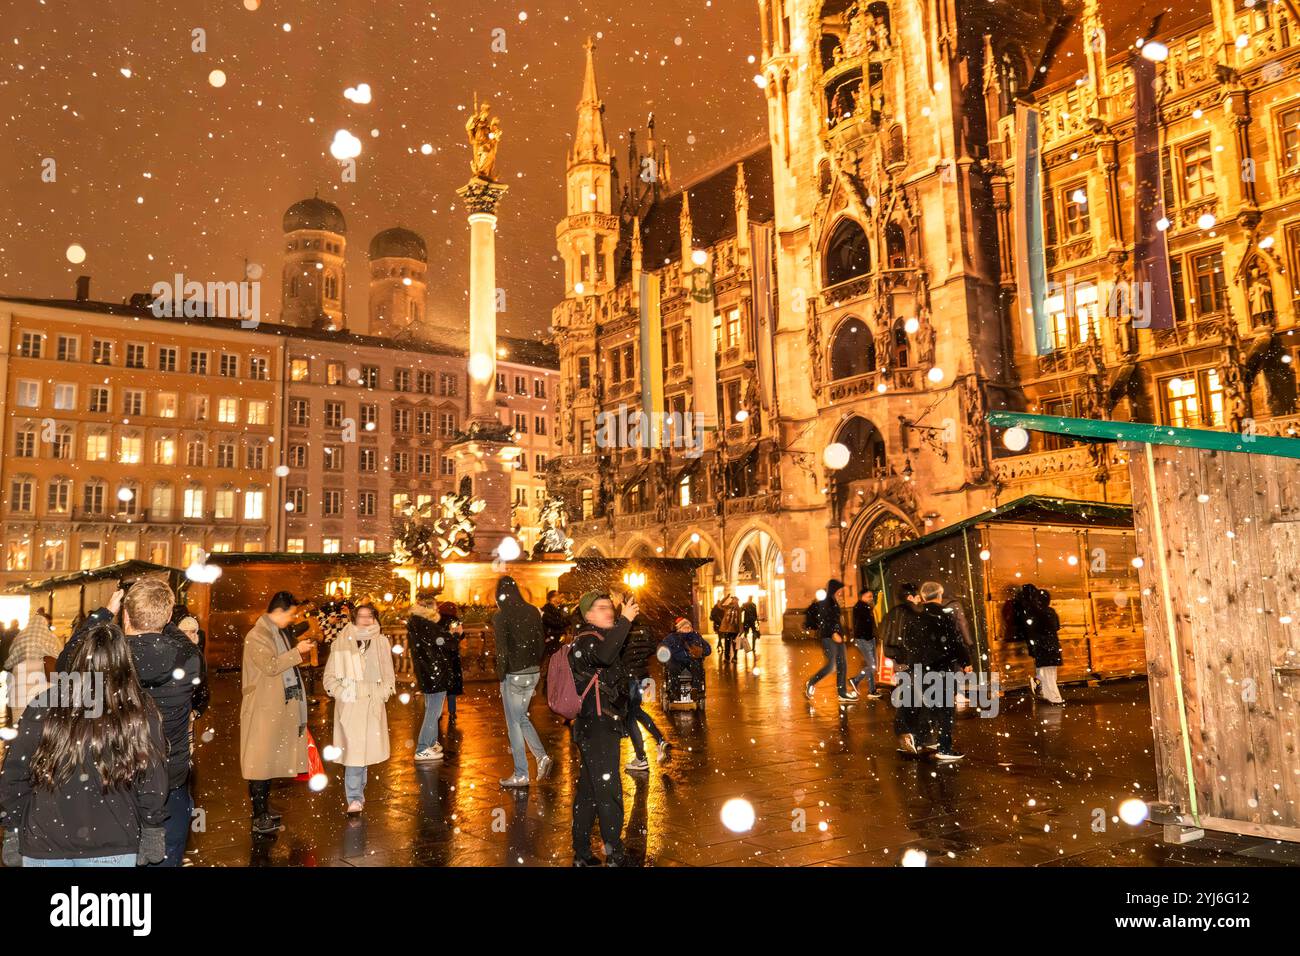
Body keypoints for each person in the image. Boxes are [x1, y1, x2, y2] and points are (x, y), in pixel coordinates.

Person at [0, 622, 168, 868]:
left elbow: (15, 774)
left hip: (45, 841)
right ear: (125, 663)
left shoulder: (44, 704)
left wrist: (13, 828)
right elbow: (153, 779)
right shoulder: (139, 709)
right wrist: (152, 827)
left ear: (78, 660)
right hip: (113, 840)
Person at [57, 579, 200, 867]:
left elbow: (64, 664)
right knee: (165, 858)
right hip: (167, 783)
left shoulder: (106, 658)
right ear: (170, 616)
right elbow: (180, 640)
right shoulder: (189, 657)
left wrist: (102, 615)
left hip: (113, 780)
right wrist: (163, 617)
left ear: (125, 615)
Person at [569, 590, 637, 866]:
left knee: (589, 791)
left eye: (610, 606)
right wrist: (625, 621)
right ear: (588, 615)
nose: (608, 610)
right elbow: (607, 657)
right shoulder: (587, 640)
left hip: (594, 725)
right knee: (608, 792)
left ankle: (582, 853)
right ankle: (614, 854)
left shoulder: (595, 638)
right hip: (597, 726)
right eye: (601, 607)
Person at [240, 591, 314, 835]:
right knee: (259, 763)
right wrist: (297, 652)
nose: (292, 619)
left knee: (267, 760)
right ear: (279, 612)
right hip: (262, 708)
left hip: (274, 707)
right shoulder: (258, 635)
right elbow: (271, 666)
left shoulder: (275, 632)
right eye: (291, 614)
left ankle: (263, 809)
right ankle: (258, 815)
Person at [323, 603, 395, 814]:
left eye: (370, 616)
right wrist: (342, 692)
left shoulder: (381, 642)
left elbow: (388, 673)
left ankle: (358, 794)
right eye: (361, 616)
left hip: (372, 703)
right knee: (354, 755)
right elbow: (329, 676)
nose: (365, 620)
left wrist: (383, 692)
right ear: (354, 619)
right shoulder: (342, 643)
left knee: (363, 756)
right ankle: (354, 797)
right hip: (351, 706)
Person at [491, 576, 552, 788]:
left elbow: (502, 651)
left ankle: (521, 773)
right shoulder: (533, 611)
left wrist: (502, 675)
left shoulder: (501, 616)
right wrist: (534, 664)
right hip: (532, 672)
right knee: (521, 718)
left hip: (514, 674)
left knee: (513, 724)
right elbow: (540, 641)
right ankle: (541, 756)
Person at [904, 582, 972, 762]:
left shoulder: (914, 617)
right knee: (946, 709)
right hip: (940, 667)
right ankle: (945, 748)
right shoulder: (943, 616)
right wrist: (966, 661)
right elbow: (955, 642)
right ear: (939, 595)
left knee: (929, 704)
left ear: (924, 597)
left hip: (919, 668)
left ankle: (917, 739)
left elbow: (907, 642)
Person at [407, 592, 453, 761]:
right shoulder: (427, 624)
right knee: (434, 711)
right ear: (430, 607)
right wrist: (454, 634)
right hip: (435, 672)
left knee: (433, 709)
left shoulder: (416, 623)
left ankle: (431, 742)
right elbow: (447, 643)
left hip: (427, 672)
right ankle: (422, 747)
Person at [620, 613, 668, 771]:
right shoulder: (646, 629)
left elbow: (617, 653)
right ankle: (660, 739)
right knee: (636, 711)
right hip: (642, 676)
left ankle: (641, 758)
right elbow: (652, 649)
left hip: (628, 678)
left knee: (630, 717)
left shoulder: (624, 629)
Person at [882, 583, 924, 753]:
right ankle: (906, 732)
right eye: (917, 596)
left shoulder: (892, 614)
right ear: (910, 597)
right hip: (912, 661)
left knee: (908, 696)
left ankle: (909, 734)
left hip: (898, 661)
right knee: (915, 699)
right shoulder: (915, 613)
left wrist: (895, 658)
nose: (919, 599)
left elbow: (886, 639)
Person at [4, 612, 61, 726]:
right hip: (42, 677)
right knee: (41, 710)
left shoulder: (21, 636)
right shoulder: (50, 637)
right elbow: (60, 657)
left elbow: (10, 661)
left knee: (20, 709)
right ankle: (37, 733)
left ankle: (20, 731)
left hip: (20, 678)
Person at [804, 579, 856, 703]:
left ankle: (842, 692)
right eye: (839, 590)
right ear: (834, 589)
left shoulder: (833, 601)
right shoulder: (827, 602)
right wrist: (833, 633)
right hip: (829, 637)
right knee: (831, 665)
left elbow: (836, 619)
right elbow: (825, 619)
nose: (840, 592)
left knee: (842, 664)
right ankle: (811, 683)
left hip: (838, 636)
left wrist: (842, 633)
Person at [1026, 589, 1065, 704]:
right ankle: (1053, 696)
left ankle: (1042, 688)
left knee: (1046, 672)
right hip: (1052, 645)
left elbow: (1032, 631)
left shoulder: (1035, 613)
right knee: (1050, 673)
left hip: (1042, 647)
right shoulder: (1051, 612)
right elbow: (1056, 627)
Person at [660, 616, 710, 703]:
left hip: (692, 660)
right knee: (672, 667)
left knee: (697, 665)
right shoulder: (672, 637)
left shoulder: (696, 636)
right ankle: (674, 691)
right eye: (685, 627)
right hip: (677, 660)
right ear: (679, 628)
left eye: (689, 626)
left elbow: (707, 648)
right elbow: (663, 647)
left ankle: (696, 690)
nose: (687, 628)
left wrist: (702, 652)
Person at [850, 589, 881, 699]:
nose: (871, 598)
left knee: (872, 665)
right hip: (864, 639)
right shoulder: (860, 607)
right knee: (872, 666)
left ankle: (872, 690)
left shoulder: (867, 607)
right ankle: (856, 680)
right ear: (862, 596)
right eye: (869, 596)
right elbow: (859, 624)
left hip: (869, 638)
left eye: (872, 596)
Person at [441, 602, 466, 721]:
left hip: (440, 656)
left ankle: (438, 712)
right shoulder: (454, 620)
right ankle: (452, 711)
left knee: (441, 687)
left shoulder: (437, 619)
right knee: (451, 688)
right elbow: (461, 635)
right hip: (452, 656)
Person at [540, 590, 568, 686]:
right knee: (550, 660)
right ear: (552, 598)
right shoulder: (547, 610)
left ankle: (552, 680)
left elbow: (565, 622)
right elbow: (558, 623)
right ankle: (548, 681)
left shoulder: (558, 609)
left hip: (556, 639)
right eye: (557, 595)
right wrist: (562, 624)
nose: (560, 597)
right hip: (551, 639)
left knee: (555, 660)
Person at [711, 595, 742, 664]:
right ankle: (727, 658)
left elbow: (739, 619)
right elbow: (719, 605)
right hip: (727, 629)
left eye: (734, 599)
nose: (732, 600)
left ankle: (735, 657)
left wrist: (741, 629)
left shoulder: (738, 609)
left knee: (735, 644)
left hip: (735, 629)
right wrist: (726, 597)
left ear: (737, 601)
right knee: (727, 644)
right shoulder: (727, 607)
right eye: (732, 599)